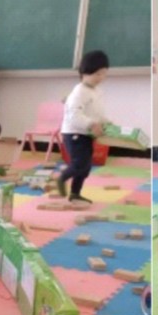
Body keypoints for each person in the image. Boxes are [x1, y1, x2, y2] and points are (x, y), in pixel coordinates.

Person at [57, 50, 110, 203]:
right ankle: (62, 178)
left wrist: (106, 121)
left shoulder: (96, 91)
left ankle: (75, 193)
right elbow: (73, 115)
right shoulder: (79, 92)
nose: (101, 78)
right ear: (85, 72)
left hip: (86, 134)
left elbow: (96, 112)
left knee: (86, 167)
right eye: (97, 74)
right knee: (79, 164)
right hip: (74, 134)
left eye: (104, 74)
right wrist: (91, 124)